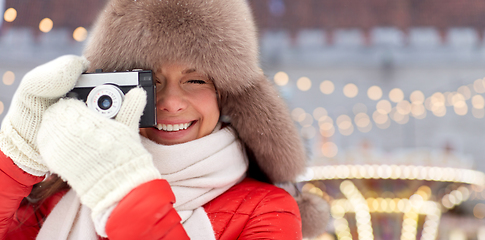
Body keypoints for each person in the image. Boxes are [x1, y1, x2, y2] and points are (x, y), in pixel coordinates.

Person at [0, 0, 328, 239]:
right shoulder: (64, 194)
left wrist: (124, 195)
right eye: (149, 81)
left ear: (225, 95)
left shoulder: (267, 209)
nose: (170, 103)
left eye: (196, 80)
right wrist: (16, 154)